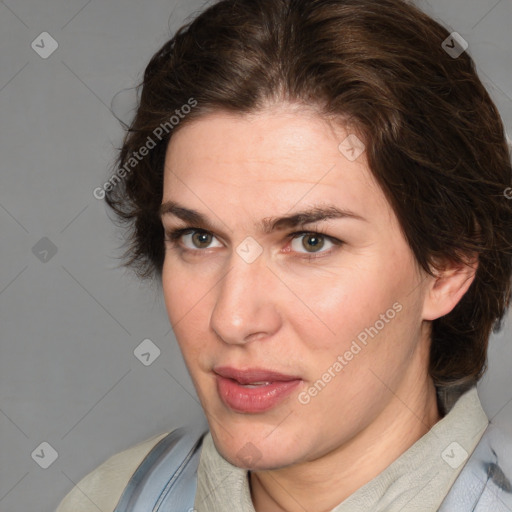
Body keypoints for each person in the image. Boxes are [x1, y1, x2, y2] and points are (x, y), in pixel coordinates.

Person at [57, 0, 512, 510]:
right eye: (199, 237)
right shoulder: (108, 498)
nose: (231, 319)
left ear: (448, 266)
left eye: (311, 242)